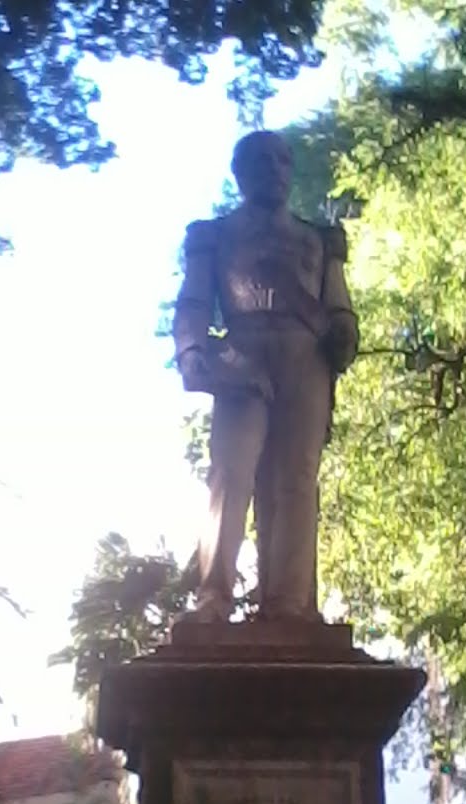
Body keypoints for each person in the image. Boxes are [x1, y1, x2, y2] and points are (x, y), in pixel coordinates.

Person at [172, 130, 359, 623]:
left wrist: (343, 330)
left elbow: (337, 303)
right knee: (230, 473)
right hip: (241, 355)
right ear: (239, 173)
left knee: (296, 479)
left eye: (282, 161)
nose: (274, 170)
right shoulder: (213, 235)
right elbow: (194, 300)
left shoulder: (317, 238)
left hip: (305, 357)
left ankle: (289, 603)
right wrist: (192, 353)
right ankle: (213, 597)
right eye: (261, 161)